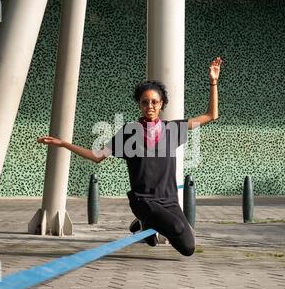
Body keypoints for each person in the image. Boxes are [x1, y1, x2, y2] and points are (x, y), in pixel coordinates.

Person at [37, 57, 221, 256]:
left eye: (154, 102)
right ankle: (144, 219)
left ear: (162, 104)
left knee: (188, 249)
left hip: (169, 200)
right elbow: (97, 156)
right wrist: (63, 143)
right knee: (176, 227)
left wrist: (213, 82)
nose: (149, 106)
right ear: (139, 104)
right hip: (143, 200)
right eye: (145, 102)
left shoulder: (173, 129)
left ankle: (145, 224)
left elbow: (211, 115)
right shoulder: (129, 132)